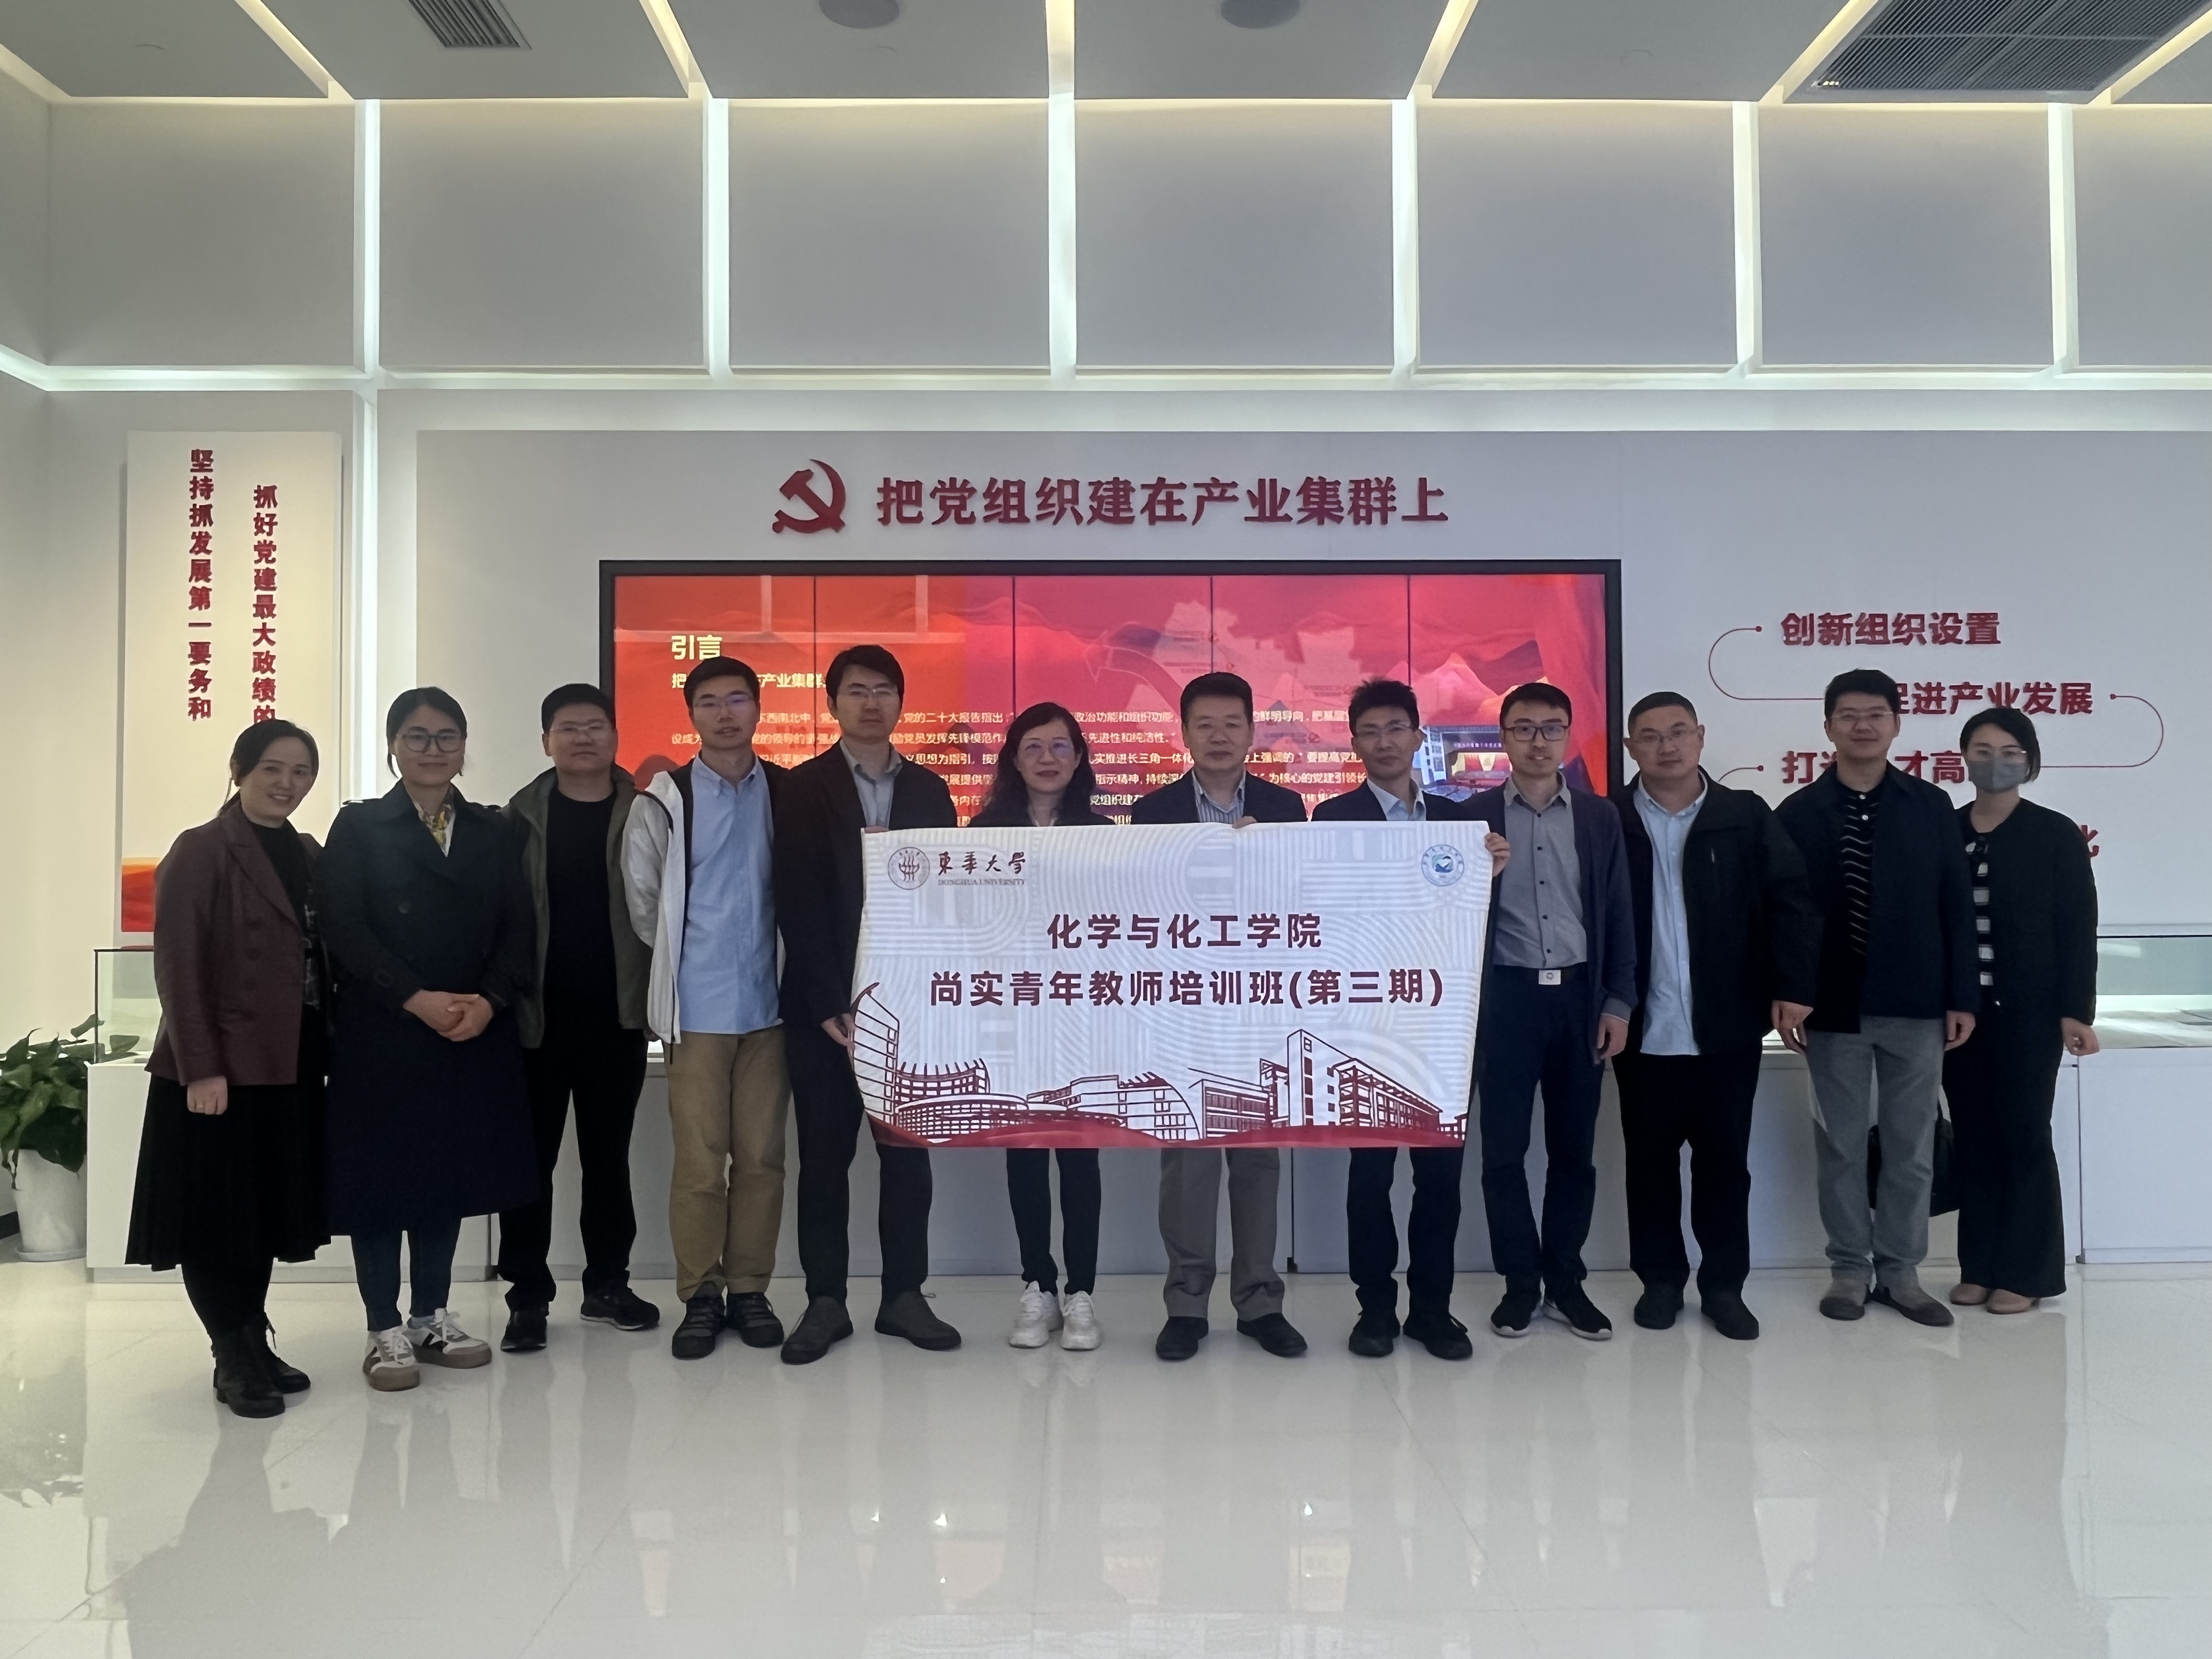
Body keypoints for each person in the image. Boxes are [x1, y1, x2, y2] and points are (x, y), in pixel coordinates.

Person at [319, 688, 538, 1390]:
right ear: (393, 746)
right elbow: (343, 926)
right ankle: (383, 1327)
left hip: (469, 1028)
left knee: (446, 1179)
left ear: (465, 747)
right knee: (381, 1185)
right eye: (416, 736)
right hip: (384, 1029)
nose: (433, 749)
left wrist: (490, 1002)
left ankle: (431, 1316)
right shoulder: (359, 827)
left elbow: (519, 926)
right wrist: (413, 997)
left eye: (448, 737)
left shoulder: (491, 829)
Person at [128, 721, 331, 1418]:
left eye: (301, 771)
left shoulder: (306, 850)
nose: (287, 783)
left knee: (262, 1213)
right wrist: (201, 1069)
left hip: (289, 1062)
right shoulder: (202, 849)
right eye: (273, 768)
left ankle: (253, 1338)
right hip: (219, 1071)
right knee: (215, 1220)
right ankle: (231, 1353)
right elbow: (178, 966)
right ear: (239, 770)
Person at [1612, 692, 1821, 1341]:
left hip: (1727, 1026)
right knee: (1648, 1166)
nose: (1667, 746)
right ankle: (1660, 1282)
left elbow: (1791, 902)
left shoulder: (1744, 815)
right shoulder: (1609, 819)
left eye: (1679, 732)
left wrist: (1792, 986)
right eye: (1651, 736)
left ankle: (1725, 1287)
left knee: (1725, 1165)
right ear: (1630, 748)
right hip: (1642, 1028)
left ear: (1701, 737)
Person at [774, 645, 961, 1364]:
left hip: (909, 1011)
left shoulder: (931, 791)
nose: (871, 702)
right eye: (857, 690)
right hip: (823, 1013)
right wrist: (829, 1001)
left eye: (884, 690)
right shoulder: (802, 787)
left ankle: (904, 1296)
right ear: (833, 704)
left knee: (907, 1158)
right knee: (824, 1160)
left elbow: (945, 903)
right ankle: (825, 1301)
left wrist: (925, 998)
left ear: (901, 703)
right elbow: (796, 901)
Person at [1313, 678, 1509, 1362]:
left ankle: (1432, 1308)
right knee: (1369, 1178)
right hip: (1366, 1024)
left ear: (1419, 737)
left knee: (1440, 1179)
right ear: (1355, 744)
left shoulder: (1462, 823)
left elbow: (1475, 925)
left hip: (1444, 1027)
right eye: (1370, 731)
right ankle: (1374, 1309)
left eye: (1396, 728)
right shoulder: (1331, 820)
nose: (1385, 742)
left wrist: (1493, 875)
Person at [1775, 669, 1979, 1328]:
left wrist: (1961, 997)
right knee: (1839, 1145)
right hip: (1831, 1007)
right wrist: (1790, 993)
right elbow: (1785, 913)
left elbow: (1956, 907)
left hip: (1918, 1003)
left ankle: (1901, 1272)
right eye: (1848, 715)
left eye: (1875, 714)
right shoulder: (1798, 813)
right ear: (1828, 726)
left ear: (1896, 724)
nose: (1862, 726)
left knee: (1911, 1146)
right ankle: (1848, 1270)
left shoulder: (1930, 806)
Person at [1130, 670, 1309, 1362]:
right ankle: (1186, 1305)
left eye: (1232, 723)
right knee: (1188, 1162)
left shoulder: (1286, 807)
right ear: (1184, 734)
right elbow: (1141, 905)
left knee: (1259, 1159)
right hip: (1185, 1008)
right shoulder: (1153, 811)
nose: (1219, 736)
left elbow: (1303, 901)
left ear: (1252, 731)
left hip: (1260, 1007)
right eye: (1205, 724)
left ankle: (1261, 1301)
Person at [622, 657, 792, 1361]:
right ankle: (700, 1294)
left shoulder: (786, 791)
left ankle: (749, 1288)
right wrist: (680, 965)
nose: (726, 714)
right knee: (699, 1162)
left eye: (738, 700)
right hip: (697, 1008)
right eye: (711, 703)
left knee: (762, 1158)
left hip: (771, 1007)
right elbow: (644, 903)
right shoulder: (665, 798)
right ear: (690, 714)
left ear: (759, 708)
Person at [1463, 681, 1638, 1342]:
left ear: (1568, 736)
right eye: (1524, 729)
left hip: (1578, 998)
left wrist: (1617, 1001)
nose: (1539, 742)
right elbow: (1446, 918)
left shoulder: (1598, 817)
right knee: (1503, 1155)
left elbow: (1619, 911)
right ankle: (1519, 1284)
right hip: (1505, 1000)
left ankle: (1565, 1281)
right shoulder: (1472, 819)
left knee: (1574, 1153)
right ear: (1504, 737)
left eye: (1552, 728)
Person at [495, 684, 658, 1355]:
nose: (583, 737)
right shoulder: (518, 818)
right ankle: (527, 1299)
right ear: (546, 742)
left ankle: (608, 1285)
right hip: (535, 1021)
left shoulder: (647, 811)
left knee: (608, 1161)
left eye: (595, 726)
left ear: (615, 736)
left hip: (616, 1018)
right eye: (568, 728)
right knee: (528, 1167)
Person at [969, 701, 1116, 1352]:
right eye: (1033, 746)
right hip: (1014, 1018)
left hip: (1082, 1019)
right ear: (1013, 759)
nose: (1048, 758)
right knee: (1025, 1156)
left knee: (1081, 1159)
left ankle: (1082, 1293)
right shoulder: (982, 834)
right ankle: (1038, 1286)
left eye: (1060, 746)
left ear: (1079, 758)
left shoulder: (1105, 834)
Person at [1944, 707, 2098, 1314]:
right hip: (1961, 1015)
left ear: (2030, 762)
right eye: (1982, 751)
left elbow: (2077, 927)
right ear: (1964, 758)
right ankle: (1980, 1267)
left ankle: (2028, 1273)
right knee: (1974, 1137)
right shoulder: (1947, 829)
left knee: (2025, 1135)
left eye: (2010, 752)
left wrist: (2076, 1011)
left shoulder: (2054, 833)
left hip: (2030, 1013)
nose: (1995, 762)